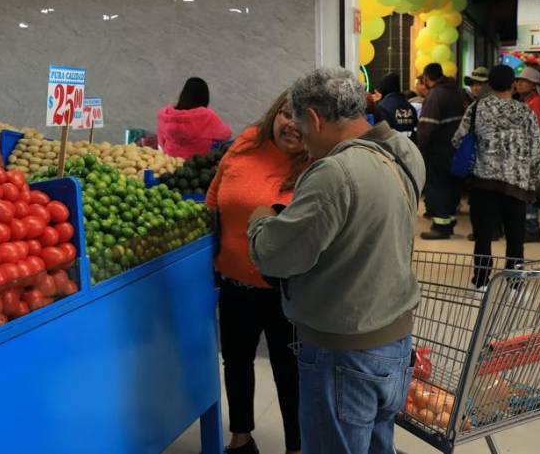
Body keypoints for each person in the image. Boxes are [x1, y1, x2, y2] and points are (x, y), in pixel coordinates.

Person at [248, 68, 425, 454]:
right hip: (394, 345)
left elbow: (277, 255)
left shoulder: (335, 172)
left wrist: (261, 219)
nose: (301, 138)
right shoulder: (404, 151)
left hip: (343, 354)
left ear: (313, 117)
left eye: (300, 125)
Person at [206, 91, 308, 454]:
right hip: (234, 281)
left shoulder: (317, 164)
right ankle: (241, 437)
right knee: (235, 362)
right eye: (285, 113)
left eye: (301, 118)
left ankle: (297, 446)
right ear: (274, 114)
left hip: (287, 290)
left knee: (289, 370)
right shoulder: (247, 143)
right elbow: (215, 196)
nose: (291, 124)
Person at [453, 65, 540, 290]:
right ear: (513, 85)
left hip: (484, 183)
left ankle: (481, 284)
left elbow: (458, 141)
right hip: (517, 185)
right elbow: (536, 150)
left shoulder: (476, 108)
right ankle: (514, 285)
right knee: (515, 238)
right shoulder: (526, 112)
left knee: (483, 237)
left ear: (489, 85)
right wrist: (532, 182)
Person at [417, 63, 466, 239]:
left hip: (438, 149)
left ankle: (440, 226)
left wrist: (420, 147)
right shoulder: (455, 91)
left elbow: (427, 126)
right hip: (455, 148)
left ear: (427, 77)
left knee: (437, 186)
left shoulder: (435, 95)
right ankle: (449, 220)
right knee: (451, 186)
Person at [157, 77, 231, 158]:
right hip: (196, 165)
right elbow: (226, 135)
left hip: (170, 162)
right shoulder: (207, 116)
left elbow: (161, 142)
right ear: (204, 97)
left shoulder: (167, 114)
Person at [515, 67, 540, 243]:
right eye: (518, 80)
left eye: (523, 81)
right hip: (526, 154)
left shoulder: (537, 104)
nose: (518, 83)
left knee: (529, 194)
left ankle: (532, 229)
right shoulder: (528, 101)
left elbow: (538, 132)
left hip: (531, 155)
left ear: (534, 85)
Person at [375, 73, 418, 137]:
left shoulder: (382, 107)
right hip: (409, 144)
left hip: (392, 145)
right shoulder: (409, 106)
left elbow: (381, 132)